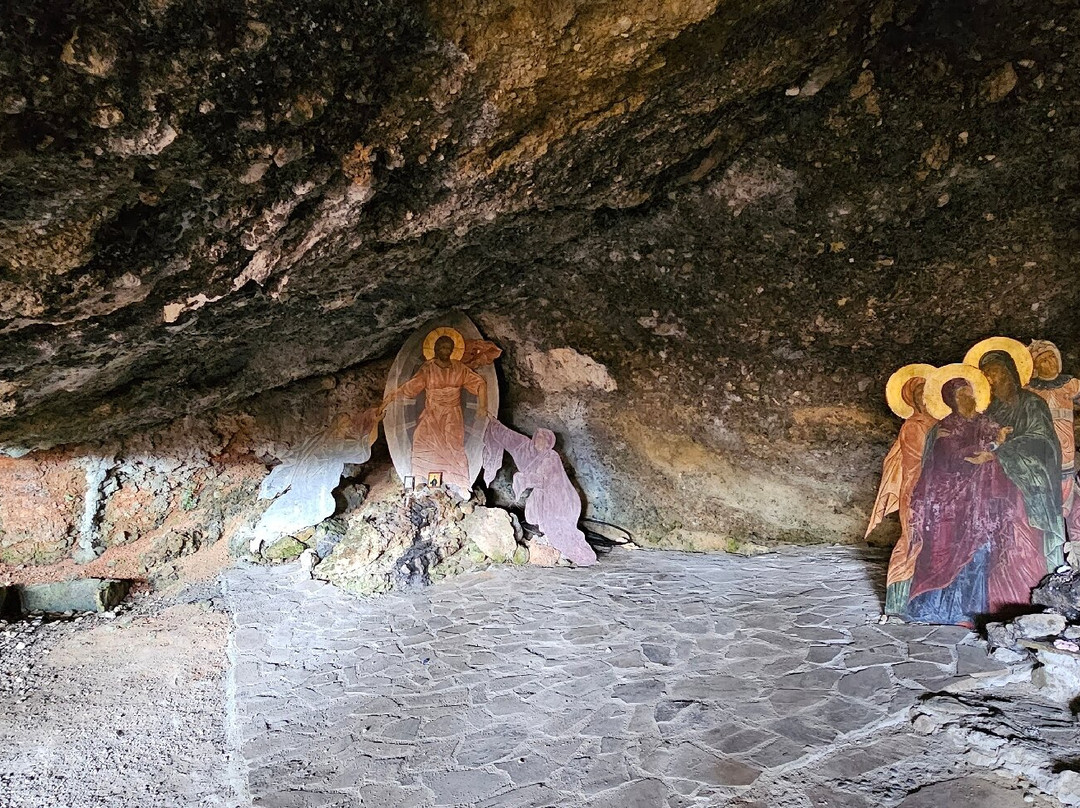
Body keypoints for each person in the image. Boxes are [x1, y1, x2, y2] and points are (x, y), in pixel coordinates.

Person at [905, 367, 1046, 625]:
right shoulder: (946, 427)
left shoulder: (984, 422)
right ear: (950, 401)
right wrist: (986, 450)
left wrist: (999, 440)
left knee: (979, 552)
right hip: (950, 503)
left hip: (981, 503)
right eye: (961, 396)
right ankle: (939, 609)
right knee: (946, 553)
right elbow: (954, 456)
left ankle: (973, 608)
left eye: (970, 394)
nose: (968, 400)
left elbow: (997, 441)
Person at [977, 348, 1067, 571]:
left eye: (995, 372)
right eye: (986, 375)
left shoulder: (1032, 404)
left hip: (1027, 484)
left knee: (1023, 540)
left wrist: (1000, 452)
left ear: (1009, 373)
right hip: (997, 485)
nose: (991, 379)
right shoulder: (990, 412)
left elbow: (1041, 440)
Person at [867, 368, 938, 614]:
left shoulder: (941, 423)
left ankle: (927, 594)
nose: (924, 398)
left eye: (928, 392)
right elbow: (923, 458)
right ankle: (899, 596)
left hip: (939, 490)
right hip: (918, 490)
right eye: (919, 394)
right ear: (912, 400)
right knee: (914, 537)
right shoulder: (913, 426)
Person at [383, 332, 488, 493]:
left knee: (453, 446)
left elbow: (480, 383)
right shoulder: (428, 368)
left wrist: (482, 406)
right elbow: (412, 386)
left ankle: (461, 483)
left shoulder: (459, 368)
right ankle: (418, 478)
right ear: (435, 349)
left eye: (448, 347)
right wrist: (394, 395)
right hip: (432, 413)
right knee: (420, 441)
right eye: (441, 347)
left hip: (452, 415)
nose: (444, 350)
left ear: (453, 350)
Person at [1026, 340, 1080, 538]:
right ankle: (1051, 533)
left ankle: (1064, 532)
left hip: (1067, 449)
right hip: (1043, 448)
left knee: (1067, 487)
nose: (1050, 363)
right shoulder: (1030, 389)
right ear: (1035, 367)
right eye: (1043, 360)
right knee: (1046, 488)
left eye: (1052, 357)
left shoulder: (1070, 384)